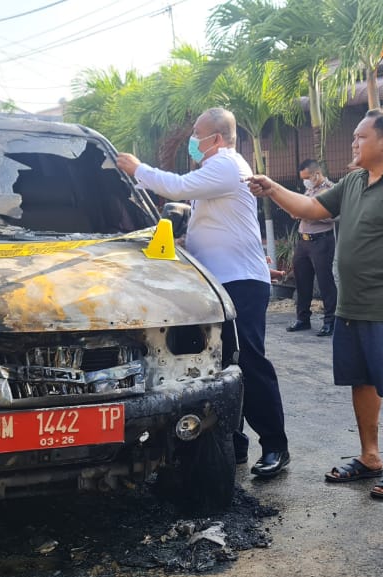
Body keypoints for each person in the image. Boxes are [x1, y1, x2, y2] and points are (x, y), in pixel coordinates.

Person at [248, 108, 383, 499]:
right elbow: (311, 209)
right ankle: (370, 458)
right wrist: (272, 189)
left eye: (360, 138)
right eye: (353, 138)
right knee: (360, 380)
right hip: (351, 305)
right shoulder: (352, 183)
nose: (353, 144)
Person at [115, 107, 291, 478]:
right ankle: (235, 444)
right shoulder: (215, 172)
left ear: (217, 137)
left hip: (240, 282)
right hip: (219, 282)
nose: (193, 140)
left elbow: (176, 186)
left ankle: (275, 445)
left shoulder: (227, 164)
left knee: (250, 362)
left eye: (197, 134)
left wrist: (137, 168)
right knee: (224, 363)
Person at [286, 159, 338, 337]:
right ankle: (303, 319)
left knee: (325, 282)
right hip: (304, 241)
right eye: (303, 179)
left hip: (321, 241)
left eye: (307, 177)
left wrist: (308, 214)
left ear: (317, 174)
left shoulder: (331, 189)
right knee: (302, 281)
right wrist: (303, 213)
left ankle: (330, 321)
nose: (305, 182)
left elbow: (334, 216)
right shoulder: (310, 190)